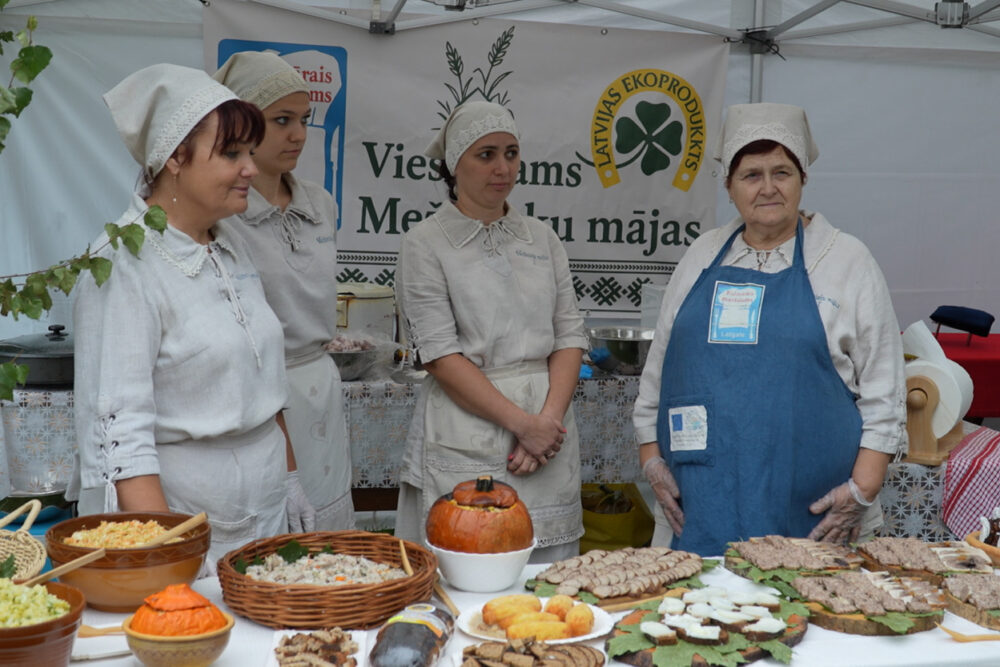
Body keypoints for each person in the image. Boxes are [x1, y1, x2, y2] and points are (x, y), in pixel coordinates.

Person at [633, 103, 907, 556]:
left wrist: (862, 490)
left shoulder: (846, 261)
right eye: (751, 175)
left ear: (803, 179)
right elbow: (657, 376)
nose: (768, 188)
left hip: (816, 519)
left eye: (782, 172)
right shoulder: (702, 255)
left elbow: (885, 391)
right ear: (728, 186)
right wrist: (652, 462)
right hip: (702, 506)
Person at [71, 64, 313, 566]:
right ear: (175, 158)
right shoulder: (122, 265)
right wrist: (166, 559)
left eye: (250, 151)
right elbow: (120, 439)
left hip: (264, 516)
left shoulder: (228, 245)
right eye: (231, 153)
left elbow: (266, 380)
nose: (251, 167)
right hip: (188, 525)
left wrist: (289, 481)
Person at [394, 101, 589, 562]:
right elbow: (441, 357)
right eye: (486, 155)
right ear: (453, 165)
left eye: (511, 153)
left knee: (546, 581)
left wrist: (548, 423)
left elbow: (569, 336)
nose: (502, 168)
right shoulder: (425, 243)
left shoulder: (543, 238)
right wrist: (523, 426)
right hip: (471, 424)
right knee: (467, 558)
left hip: (549, 424)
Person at [213, 51, 353, 532]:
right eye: (282, 120)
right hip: (261, 394)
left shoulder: (320, 203)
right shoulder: (224, 216)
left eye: (305, 120)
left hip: (320, 389)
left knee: (332, 538)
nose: (298, 134)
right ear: (243, 126)